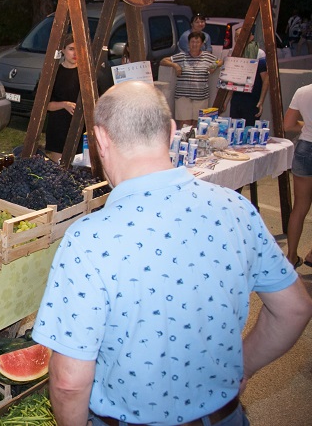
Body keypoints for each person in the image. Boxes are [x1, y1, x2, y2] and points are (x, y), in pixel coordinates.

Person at [32, 81, 312, 426]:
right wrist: (244, 366)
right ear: (172, 131)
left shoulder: (88, 239)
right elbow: (295, 309)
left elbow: (68, 383)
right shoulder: (237, 209)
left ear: (101, 139)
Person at [161, 31, 219, 128]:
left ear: (202, 44)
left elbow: (220, 61)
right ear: (188, 43)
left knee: (199, 125)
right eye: (192, 42)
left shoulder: (207, 57)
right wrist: (175, 65)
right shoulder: (182, 56)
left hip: (201, 97)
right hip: (183, 97)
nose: (194, 44)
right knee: (184, 125)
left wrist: (214, 65)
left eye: (197, 42)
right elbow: (163, 61)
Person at [285, 83, 312, 268]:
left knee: (299, 207)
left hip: (305, 148)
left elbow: (288, 124)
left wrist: (306, 124)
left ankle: (291, 256)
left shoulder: (302, 91)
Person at [45, 36, 82, 162]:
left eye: (78, 49)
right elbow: (44, 105)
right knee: (59, 167)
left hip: (82, 128)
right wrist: (64, 105)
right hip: (59, 126)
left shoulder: (87, 73)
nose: (75, 53)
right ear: (63, 50)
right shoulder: (54, 73)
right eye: (71, 49)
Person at [228, 27, 268, 127]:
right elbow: (230, 79)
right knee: (234, 130)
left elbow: (266, 79)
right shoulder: (232, 53)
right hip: (236, 99)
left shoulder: (259, 53)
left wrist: (261, 101)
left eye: (242, 35)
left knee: (249, 130)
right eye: (236, 36)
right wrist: (227, 100)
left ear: (251, 37)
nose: (239, 38)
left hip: (252, 99)